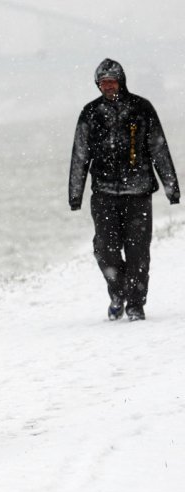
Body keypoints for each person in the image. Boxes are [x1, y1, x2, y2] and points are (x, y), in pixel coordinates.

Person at [69, 58, 180, 321]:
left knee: (138, 252)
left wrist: (171, 187)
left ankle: (135, 304)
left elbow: (158, 148)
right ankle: (117, 292)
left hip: (138, 193)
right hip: (104, 194)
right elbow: (80, 155)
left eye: (112, 81)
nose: (108, 86)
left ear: (122, 81)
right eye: (103, 83)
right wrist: (75, 194)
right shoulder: (90, 113)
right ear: (98, 85)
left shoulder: (141, 108)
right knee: (105, 248)